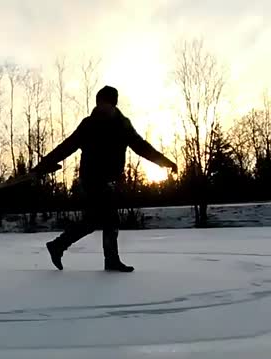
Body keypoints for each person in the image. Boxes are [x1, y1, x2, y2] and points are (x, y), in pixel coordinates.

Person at [34, 86, 177, 272]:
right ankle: (107, 259)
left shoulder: (122, 125)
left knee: (96, 219)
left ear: (113, 104)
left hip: (111, 180)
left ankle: (59, 246)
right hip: (91, 179)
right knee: (108, 217)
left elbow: (141, 146)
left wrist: (164, 162)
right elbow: (67, 146)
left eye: (107, 103)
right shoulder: (89, 124)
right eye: (100, 103)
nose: (103, 107)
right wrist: (45, 163)